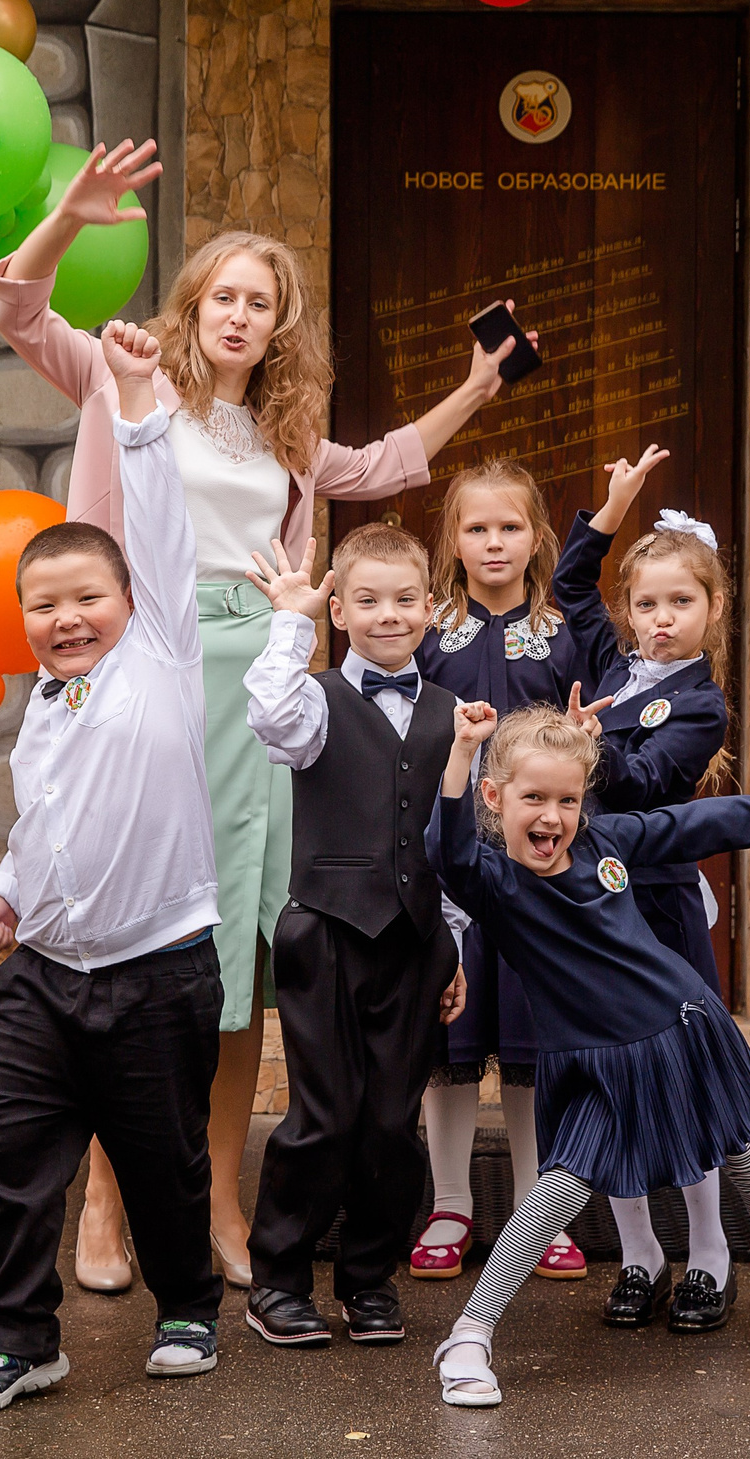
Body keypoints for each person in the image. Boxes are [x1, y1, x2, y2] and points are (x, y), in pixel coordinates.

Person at [0, 139, 531, 1290]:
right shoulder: (123, 379)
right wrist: (72, 218)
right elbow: (19, 307)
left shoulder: (282, 436)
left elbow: (384, 466)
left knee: (240, 940)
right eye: (224, 294)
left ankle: (220, 1204)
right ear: (194, 307)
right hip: (148, 665)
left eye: (262, 302)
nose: (240, 315)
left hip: (258, 680)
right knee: (132, 934)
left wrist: (480, 387)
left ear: (277, 327)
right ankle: (104, 1210)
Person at [0, 320, 226, 1417]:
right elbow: (45, 827)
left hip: (158, 972)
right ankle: (19, 1341)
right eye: (43, 606)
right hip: (48, 977)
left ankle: (189, 1307)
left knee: (162, 1164)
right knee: (5, 1152)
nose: (66, 618)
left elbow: (152, 528)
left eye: (85, 599)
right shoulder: (48, 714)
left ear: (130, 604)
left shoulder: (163, 658)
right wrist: (6, 887)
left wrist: (138, 398)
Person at [423, 703, 750, 1408]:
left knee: (742, 1149)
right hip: (593, 1061)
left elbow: (694, 825)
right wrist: (462, 751)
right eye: (534, 798)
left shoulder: (608, 840)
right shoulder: (494, 879)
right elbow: (447, 853)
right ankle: (469, 1334)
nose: (553, 816)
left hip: (679, 1027)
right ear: (495, 799)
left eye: (567, 798)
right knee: (559, 1188)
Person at [235, 523, 467, 1349]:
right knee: (323, 1115)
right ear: (340, 608)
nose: (388, 614)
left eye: (405, 599)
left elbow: (457, 837)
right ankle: (278, 1281)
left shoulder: (452, 713)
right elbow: (268, 719)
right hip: (326, 933)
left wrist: (454, 946)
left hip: (413, 942)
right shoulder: (315, 699)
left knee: (389, 1120)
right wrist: (291, 624)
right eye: (366, 600)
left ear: (431, 608)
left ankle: (369, 1278)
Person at [553, 444, 747, 1334]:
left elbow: (638, 784)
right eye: (648, 603)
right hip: (590, 905)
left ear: (713, 610)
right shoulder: (612, 658)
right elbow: (569, 580)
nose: (661, 619)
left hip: (657, 904)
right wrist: (613, 506)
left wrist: (588, 743)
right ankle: (639, 1253)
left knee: (680, 1076)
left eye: (681, 602)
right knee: (607, 1074)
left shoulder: (699, 704)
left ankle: (710, 1252)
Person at [411, 459, 591, 1284]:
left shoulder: (563, 630)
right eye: (476, 527)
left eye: (509, 527)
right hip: (447, 862)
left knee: (529, 1042)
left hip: (536, 870)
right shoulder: (425, 627)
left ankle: (536, 1203)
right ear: (453, 537)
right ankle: (449, 1201)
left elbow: (592, 740)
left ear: (537, 537)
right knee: (450, 1040)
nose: (493, 541)